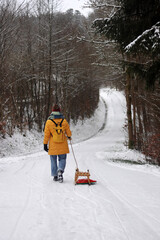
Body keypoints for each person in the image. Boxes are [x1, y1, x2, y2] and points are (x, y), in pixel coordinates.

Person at [43, 104, 72, 183]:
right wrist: (69, 137)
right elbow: (68, 132)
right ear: (60, 111)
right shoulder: (64, 121)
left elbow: (46, 134)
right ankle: (60, 170)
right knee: (62, 158)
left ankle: (55, 176)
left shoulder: (49, 122)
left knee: (53, 160)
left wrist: (45, 144)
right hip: (63, 144)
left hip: (53, 144)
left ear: (52, 111)